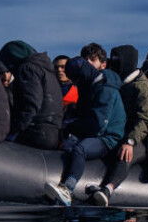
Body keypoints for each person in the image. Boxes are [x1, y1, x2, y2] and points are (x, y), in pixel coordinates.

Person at [44, 56, 125, 206]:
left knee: (81, 149)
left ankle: (68, 189)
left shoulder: (106, 89)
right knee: (69, 145)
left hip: (108, 137)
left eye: (76, 78)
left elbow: (99, 124)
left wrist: (75, 128)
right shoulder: (89, 86)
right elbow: (82, 112)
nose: (75, 83)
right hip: (93, 131)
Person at [88, 45, 148, 206]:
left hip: (142, 139)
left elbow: (145, 120)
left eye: (118, 61)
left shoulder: (142, 87)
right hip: (120, 133)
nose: (114, 64)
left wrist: (131, 141)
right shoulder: (120, 83)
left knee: (124, 155)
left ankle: (108, 189)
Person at [0, 40, 63, 150]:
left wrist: (14, 131)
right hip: (53, 132)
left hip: (36, 132)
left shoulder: (27, 69)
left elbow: (31, 104)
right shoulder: (46, 70)